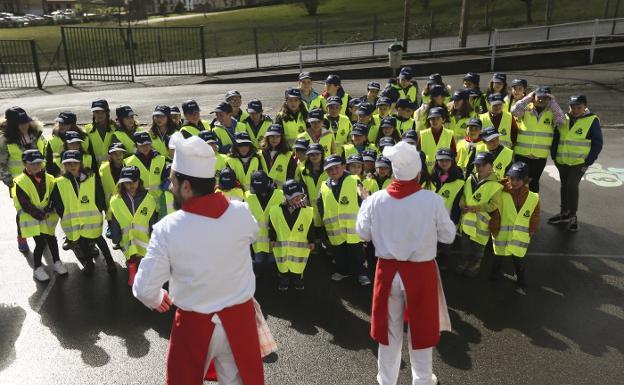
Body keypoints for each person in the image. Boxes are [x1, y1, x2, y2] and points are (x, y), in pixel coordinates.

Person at [132, 134, 265, 385]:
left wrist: (159, 299)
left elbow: (143, 289)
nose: (169, 186)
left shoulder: (167, 228)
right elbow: (251, 234)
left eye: (172, 181)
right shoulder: (241, 211)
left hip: (194, 325)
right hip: (240, 321)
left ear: (186, 187)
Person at [356, 141, 455, 385]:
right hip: (420, 272)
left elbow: (361, 233)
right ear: (419, 172)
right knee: (421, 328)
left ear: (393, 171)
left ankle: (387, 379)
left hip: (388, 271)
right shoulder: (432, 200)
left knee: (389, 331)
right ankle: (421, 379)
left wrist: (367, 205)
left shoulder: (376, 199)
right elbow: (448, 236)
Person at [50, 150, 116, 276]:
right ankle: (89, 262)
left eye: (75, 162)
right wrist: (63, 214)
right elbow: (58, 201)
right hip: (73, 219)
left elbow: (99, 195)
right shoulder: (59, 182)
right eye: (68, 163)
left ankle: (109, 260)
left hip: (91, 217)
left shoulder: (91, 178)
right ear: (63, 165)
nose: (72, 166)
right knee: (81, 241)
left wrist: (99, 208)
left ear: (80, 163)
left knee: (98, 238)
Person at [549, 95, 603, 231]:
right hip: (562, 161)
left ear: (585, 106)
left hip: (579, 162)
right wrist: (554, 156)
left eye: (579, 107)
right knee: (564, 186)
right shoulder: (563, 119)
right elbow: (556, 137)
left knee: (572, 186)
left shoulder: (592, 120)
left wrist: (589, 161)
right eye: (572, 107)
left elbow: (598, 143)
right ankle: (564, 213)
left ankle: (573, 215)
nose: (575, 110)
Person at [12, 149, 65, 281]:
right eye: (32, 163)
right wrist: (41, 215)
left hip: (48, 216)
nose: (36, 166)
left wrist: (50, 208)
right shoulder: (20, 182)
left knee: (52, 239)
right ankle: (37, 268)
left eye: (38, 163)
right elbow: (25, 204)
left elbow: (54, 196)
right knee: (40, 242)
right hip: (34, 218)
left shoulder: (50, 178)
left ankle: (57, 261)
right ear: (25, 164)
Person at [317, 155, 370, 286]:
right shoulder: (324, 186)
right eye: (330, 169)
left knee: (357, 253)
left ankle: (362, 273)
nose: (334, 171)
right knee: (339, 253)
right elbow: (320, 204)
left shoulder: (354, 180)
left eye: (336, 167)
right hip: (334, 229)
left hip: (353, 228)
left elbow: (364, 199)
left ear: (343, 166)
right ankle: (342, 271)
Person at [0, 107, 47, 253]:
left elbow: (47, 152)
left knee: (40, 208)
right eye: (19, 123)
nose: (24, 125)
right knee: (23, 212)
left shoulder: (37, 134)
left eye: (25, 121)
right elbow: (1, 166)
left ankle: (41, 236)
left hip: (40, 180)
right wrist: (11, 182)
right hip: (18, 184)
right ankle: (22, 237)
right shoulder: (5, 141)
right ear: (12, 124)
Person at [490, 162, 540, 288]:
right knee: (499, 255)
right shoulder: (501, 193)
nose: (515, 182)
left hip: (520, 236)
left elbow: (535, 215)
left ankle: (520, 277)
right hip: (502, 233)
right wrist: (494, 227)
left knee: (518, 259)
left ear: (525, 180)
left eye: (518, 179)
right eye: (512, 178)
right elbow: (496, 212)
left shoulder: (533, 197)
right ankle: (495, 273)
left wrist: (532, 229)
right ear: (508, 178)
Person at [109, 165, 158, 286]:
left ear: (139, 181)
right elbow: (114, 221)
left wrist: (154, 236)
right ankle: (132, 274)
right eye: (126, 183)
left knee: (144, 257)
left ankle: (143, 275)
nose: (130, 185)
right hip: (127, 237)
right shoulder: (116, 200)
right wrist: (116, 237)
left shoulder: (149, 199)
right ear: (122, 184)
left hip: (144, 237)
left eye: (133, 182)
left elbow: (152, 219)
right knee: (130, 256)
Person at [511, 86, 565, 192]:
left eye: (545, 98)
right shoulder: (526, 108)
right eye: (538, 97)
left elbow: (562, 121)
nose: (541, 100)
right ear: (534, 97)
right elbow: (514, 111)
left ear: (549, 99)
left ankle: (532, 206)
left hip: (539, 156)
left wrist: (553, 102)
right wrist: (528, 97)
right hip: (522, 154)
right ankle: (516, 207)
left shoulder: (552, 112)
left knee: (534, 183)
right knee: (518, 183)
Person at [458, 152, 502, 278]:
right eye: (477, 165)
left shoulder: (496, 185)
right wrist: (462, 204)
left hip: (481, 225)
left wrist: (478, 208)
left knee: (478, 249)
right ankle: (464, 263)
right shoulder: (470, 178)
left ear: (491, 166)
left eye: (483, 165)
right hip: (467, 222)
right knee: (464, 247)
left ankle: (475, 265)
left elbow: (494, 205)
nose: (479, 167)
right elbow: (464, 196)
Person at [269, 179, 315, 291]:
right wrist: (272, 239)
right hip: (282, 246)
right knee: (283, 265)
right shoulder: (276, 210)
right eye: (294, 196)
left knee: (297, 266)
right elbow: (273, 226)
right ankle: (284, 279)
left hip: (299, 248)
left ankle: (297, 279)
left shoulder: (307, 211)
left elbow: (310, 227)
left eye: (299, 195)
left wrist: (312, 240)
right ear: (286, 197)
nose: (297, 198)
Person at [246, 171, 284, 276]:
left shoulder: (279, 195)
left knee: (273, 258)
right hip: (257, 240)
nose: (259, 192)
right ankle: (257, 273)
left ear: (268, 184)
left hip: (275, 236)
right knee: (259, 260)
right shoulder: (248, 196)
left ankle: (274, 271)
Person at [431, 148, 464, 270]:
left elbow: (457, 203)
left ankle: (444, 263)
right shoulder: (433, 177)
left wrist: (454, 221)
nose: (444, 163)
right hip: (432, 218)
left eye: (447, 160)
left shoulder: (459, 181)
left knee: (445, 244)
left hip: (448, 218)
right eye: (441, 160)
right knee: (432, 243)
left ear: (452, 161)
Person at [296, 143, 327, 245]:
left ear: (322, 154)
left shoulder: (328, 168)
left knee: (326, 230)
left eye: (317, 154)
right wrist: (304, 197)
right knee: (313, 231)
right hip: (309, 205)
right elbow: (300, 185)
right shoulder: (302, 169)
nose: (314, 157)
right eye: (311, 154)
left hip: (325, 205)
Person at [124, 131, 167, 199]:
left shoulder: (161, 159)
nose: (145, 147)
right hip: (142, 202)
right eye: (142, 145)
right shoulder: (128, 162)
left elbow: (165, 180)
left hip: (160, 201)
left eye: (147, 144)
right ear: (135, 145)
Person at [46, 111, 90, 177]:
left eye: (65, 123)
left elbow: (90, 160)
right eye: (60, 123)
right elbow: (49, 166)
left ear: (73, 125)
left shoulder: (85, 139)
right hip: (61, 179)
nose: (61, 125)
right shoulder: (52, 141)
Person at [419, 107, 456, 174]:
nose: (435, 121)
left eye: (438, 118)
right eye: (432, 119)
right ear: (429, 120)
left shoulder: (449, 134)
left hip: (444, 173)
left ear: (443, 120)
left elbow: (453, 154)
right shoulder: (422, 134)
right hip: (426, 173)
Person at [100, 143, 126, 238]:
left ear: (124, 154)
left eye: (120, 153)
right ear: (110, 155)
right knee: (112, 217)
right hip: (109, 201)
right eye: (115, 153)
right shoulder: (103, 168)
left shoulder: (129, 165)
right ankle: (111, 227)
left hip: (124, 200)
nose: (118, 156)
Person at [85, 99, 116, 165]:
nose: (100, 115)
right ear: (93, 113)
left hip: (113, 167)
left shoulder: (115, 128)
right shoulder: (87, 129)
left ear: (107, 112)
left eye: (102, 112)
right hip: (95, 168)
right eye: (97, 112)